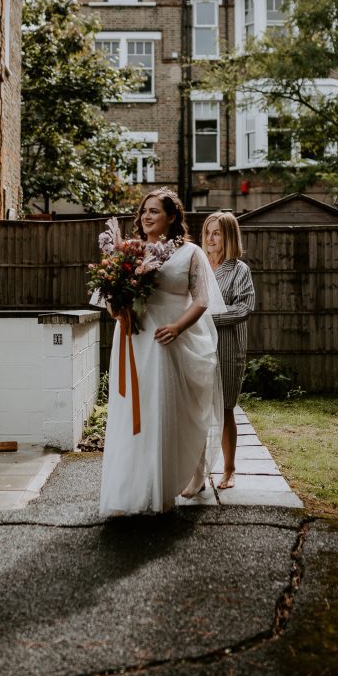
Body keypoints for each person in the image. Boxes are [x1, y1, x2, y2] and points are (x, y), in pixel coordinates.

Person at [94, 188, 225, 516]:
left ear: (172, 217)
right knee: (134, 417)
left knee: (171, 410)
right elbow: (111, 306)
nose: (146, 217)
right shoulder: (129, 251)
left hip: (169, 340)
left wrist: (178, 327)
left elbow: (202, 299)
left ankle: (175, 480)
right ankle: (132, 489)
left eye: (154, 211)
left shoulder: (190, 253)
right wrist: (116, 297)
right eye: (143, 211)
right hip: (135, 341)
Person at [202, 211, 256, 489]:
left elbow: (245, 308)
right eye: (208, 232)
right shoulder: (198, 266)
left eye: (217, 233)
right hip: (197, 346)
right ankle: (198, 471)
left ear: (229, 236)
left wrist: (208, 317)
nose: (211, 238)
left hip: (227, 346)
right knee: (197, 409)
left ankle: (229, 470)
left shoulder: (239, 270)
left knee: (224, 409)